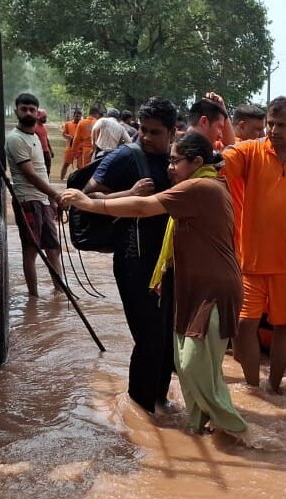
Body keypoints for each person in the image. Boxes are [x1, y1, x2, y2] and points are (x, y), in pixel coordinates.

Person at [58, 132, 246, 436]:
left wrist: (88, 202)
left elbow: (144, 207)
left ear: (197, 162)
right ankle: (200, 428)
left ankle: (239, 431)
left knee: (194, 366)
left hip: (213, 290)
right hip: (193, 291)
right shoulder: (203, 184)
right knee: (190, 368)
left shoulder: (199, 187)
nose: (169, 167)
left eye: (175, 161)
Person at [222, 96, 286, 393]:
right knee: (244, 328)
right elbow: (222, 161)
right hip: (251, 263)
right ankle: (254, 388)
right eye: (270, 123)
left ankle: (275, 389)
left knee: (285, 329)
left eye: (281, 125)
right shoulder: (249, 152)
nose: (273, 130)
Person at [82, 97, 178, 414]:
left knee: (166, 340)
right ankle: (139, 411)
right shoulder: (125, 156)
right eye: (143, 130)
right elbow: (89, 194)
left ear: (172, 133)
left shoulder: (177, 161)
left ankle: (160, 401)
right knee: (149, 338)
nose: (147, 138)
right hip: (134, 261)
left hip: (168, 263)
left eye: (155, 132)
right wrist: (131, 194)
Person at [5, 93, 64, 297]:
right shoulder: (15, 138)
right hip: (27, 200)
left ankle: (60, 290)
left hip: (43, 200)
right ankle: (34, 297)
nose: (28, 112)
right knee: (31, 250)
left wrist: (51, 200)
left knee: (54, 248)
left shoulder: (36, 137)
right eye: (24, 109)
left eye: (32, 109)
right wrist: (56, 195)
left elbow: (41, 172)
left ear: (37, 112)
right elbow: (29, 174)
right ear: (17, 111)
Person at [60, 108, 82, 180]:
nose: (77, 118)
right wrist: (69, 137)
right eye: (76, 116)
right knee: (65, 164)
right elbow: (63, 134)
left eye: (79, 116)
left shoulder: (82, 124)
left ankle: (78, 182)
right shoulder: (68, 124)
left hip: (80, 149)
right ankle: (61, 179)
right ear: (73, 116)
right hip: (70, 148)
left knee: (80, 167)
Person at [36, 109, 53, 179]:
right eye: (43, 117)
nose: (45, 119)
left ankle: (47, 182)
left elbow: (46, 139)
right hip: (39, 152)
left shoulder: (45, 127)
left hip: (46, 151)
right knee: (40, 170)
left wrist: (51, 150)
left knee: (48, 169)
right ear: (38, 117)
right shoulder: (34, 128)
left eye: (45, 117)